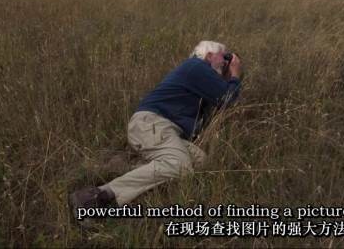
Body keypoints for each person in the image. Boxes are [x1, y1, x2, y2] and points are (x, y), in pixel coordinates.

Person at [69, 40, 243, 214]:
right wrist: (234, 74)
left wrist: (225, 80)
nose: (226, 62)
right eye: (224, 56)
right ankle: (96, 196)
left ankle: (117, 164)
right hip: (152, 123)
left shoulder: (200, 75)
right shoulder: (196, 66)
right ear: (209, 55)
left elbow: (223, 103)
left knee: (200, 162)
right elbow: (229, 98)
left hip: (162, 129)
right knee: (180, 165)